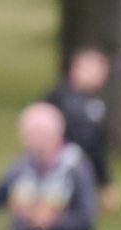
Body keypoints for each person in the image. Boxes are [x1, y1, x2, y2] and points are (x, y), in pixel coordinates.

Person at [43, 47, 114, 214]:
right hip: (57, 173)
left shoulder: (96, 105)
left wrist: (105, 182)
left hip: (83, 175)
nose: (99, 75)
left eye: (102, 71)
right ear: (77, 68)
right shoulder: (58, 97)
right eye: (94, 69)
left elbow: (98, 148)